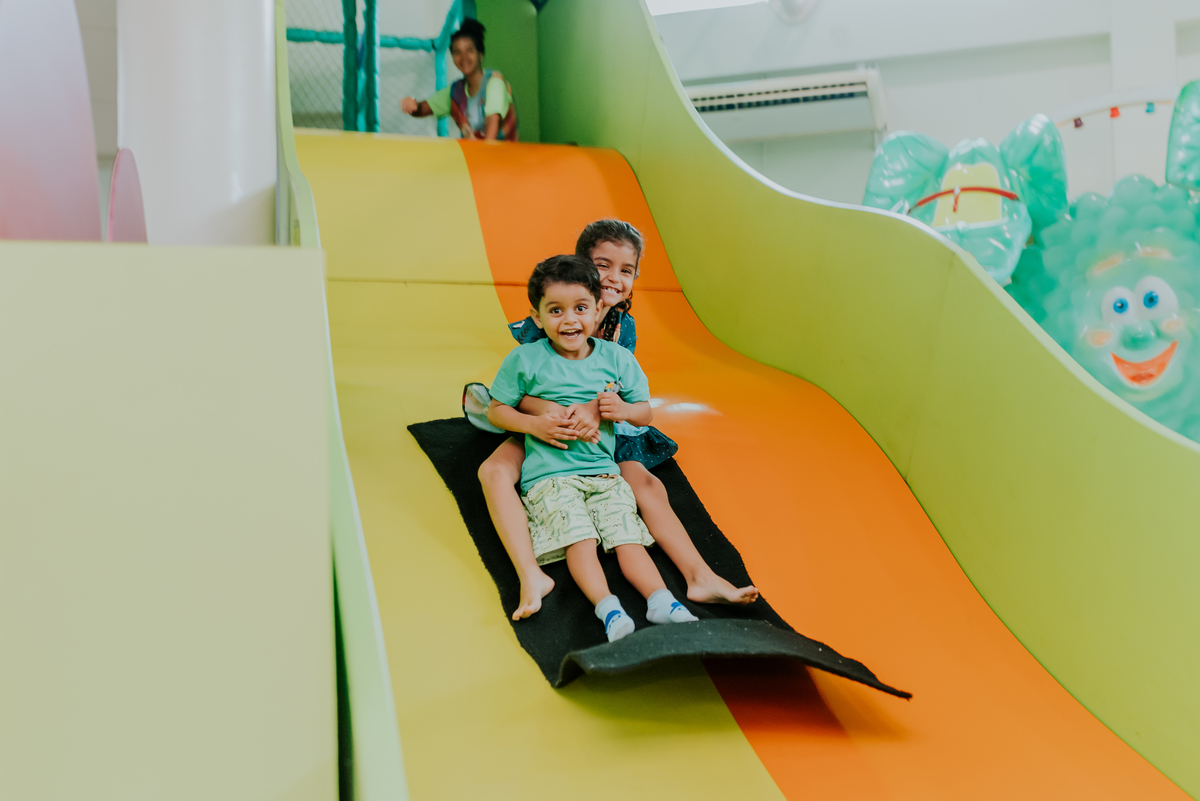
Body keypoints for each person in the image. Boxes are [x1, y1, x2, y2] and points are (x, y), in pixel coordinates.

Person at [478, 220, 759, 620]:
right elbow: (520, 387)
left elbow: (628, 394)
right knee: (493, 471)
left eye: (625, 271)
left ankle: (700, 576)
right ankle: (530, 573)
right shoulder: (553, 311)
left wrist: (597, 411)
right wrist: (550, 415)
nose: (613, 278)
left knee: (645, 481)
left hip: (604, 434)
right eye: (602, 266)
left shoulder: (621, 332)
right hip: (548, 428)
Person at [487, 255, 699, 642]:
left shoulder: (617, 358)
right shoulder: (525, 359)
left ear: (598, 309)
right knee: (580, 541)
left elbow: (644, 412)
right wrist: (533, 423)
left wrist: (623, 410)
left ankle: (661, 600)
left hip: (604, 472)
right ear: (536, 317)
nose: (570, 321)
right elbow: (497, 409)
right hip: (550, 478)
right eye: (555, 311)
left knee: (628, 538)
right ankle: (608, 608)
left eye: (581, 308)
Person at [399, 19, 517, 141]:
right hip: (475, 156)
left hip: (502, 156)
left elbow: (491, 130)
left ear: (480, 54)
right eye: (457, 52)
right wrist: (414, 105)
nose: (463, 57)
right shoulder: (456, 92)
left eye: (469, 50)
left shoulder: (494, 83)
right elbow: (423, 109)